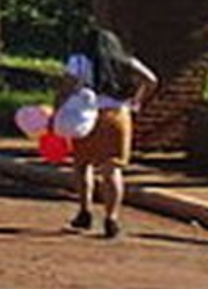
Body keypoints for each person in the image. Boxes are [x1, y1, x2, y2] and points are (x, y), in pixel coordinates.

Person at [56, 26, 158, 239]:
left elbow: (66, 87)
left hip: (87, 116)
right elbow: (151, 79)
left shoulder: (79, 61)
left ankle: (85, 210)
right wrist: (136, 100)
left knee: (82, 164)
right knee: (112, 168)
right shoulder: (125, 61)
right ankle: (112, 218)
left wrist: (57, 111)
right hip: (118, 116)